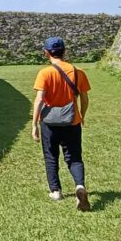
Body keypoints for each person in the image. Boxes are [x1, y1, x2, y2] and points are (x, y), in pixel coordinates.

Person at [31, 36, 92, 211]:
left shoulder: (45, 73)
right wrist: (82, 115)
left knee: (51, 156)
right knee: (74, 157)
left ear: (46, 53)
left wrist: (34, 124)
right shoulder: (78, 72)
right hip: (72, 121)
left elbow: (39, 100)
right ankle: (79, 186)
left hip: (49, 123)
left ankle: (55, 191)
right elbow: (85, 98)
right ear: (65, 52)